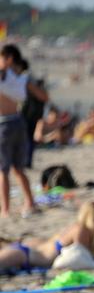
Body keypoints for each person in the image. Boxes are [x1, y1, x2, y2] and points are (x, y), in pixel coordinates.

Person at [0, 201, 94, 271]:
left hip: (26, 252)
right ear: (93, 220)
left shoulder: (78, 228)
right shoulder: (82, 230)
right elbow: (79, 258)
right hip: (24, 254)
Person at [0, 44, 36, 218]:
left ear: (8, 59)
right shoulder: (19, 79)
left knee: (3, 170)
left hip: (4, 124)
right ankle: (30, 202)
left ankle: (5, 209)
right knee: (18, 168)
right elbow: (42, 96)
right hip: (18, 121)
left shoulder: (5, 76)